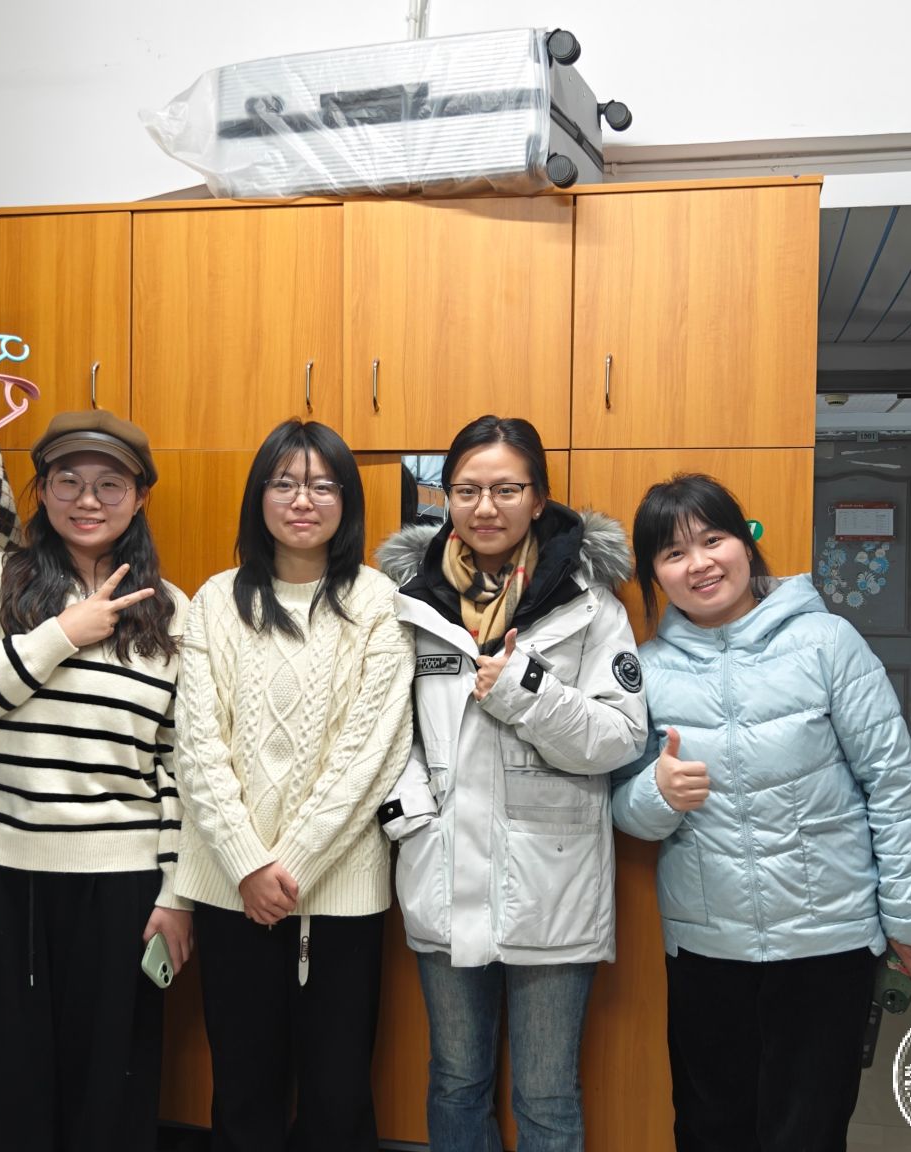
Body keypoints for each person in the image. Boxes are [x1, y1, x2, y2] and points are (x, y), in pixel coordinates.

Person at [611, 473, 911, 1152]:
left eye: (713, 540)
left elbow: (892, 782)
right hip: (708, 948)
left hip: (827, 944)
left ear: (746, 542)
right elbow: (622, 808)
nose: (699, 564)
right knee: (709, 1131)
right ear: (654, 574)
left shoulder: (827, 643)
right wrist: (658, 793)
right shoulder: (646, 670)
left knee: (808, 1133)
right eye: (674, 553)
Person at [375, 415, 649, 1152]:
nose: (485, 507)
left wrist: (525, 690)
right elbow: (383, 729)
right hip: (441, 868)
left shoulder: (589, 606)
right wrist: (409, 816)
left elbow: (620, 737)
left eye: (505, 489)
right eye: (467, 490)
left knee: (548, 1095)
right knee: (454, 1081)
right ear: (446, 497)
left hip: (551, 883)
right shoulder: (409, 603)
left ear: (538, 498)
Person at [0, 410, 191, 1152]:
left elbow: (179, 767)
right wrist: (60, 636)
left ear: (139, 497)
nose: (88, 500)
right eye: (68, 481)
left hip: (123, 889)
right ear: (41, 490)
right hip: (2, 881)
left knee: (108, 1097)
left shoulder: (172, 612)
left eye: (110, 485)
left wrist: (176, 895)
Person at [172, 419, 415, 1152]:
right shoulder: (217, 600)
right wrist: (248, 863)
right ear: (259, 497)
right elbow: (197, 746)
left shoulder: (378, 601)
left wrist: (295, 863)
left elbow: (372, 753)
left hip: (341, 893)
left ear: (347, 500)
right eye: (284, 483)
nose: (302, 500)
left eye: (320, 484)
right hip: (231, 889)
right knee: (243, 1094)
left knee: (338, 1098)